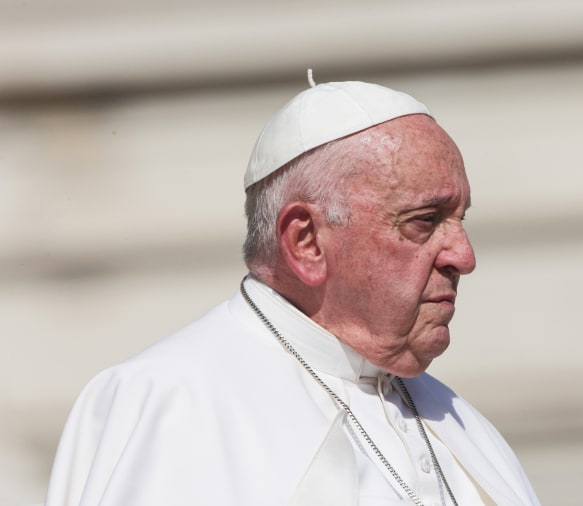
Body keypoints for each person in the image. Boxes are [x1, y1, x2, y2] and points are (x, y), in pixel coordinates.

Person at [44, 74, 541, 506]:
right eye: (424, 221)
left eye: (460, 219)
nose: (464, 256)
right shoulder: (169, 405)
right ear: (305, 242)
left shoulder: (463, 427)